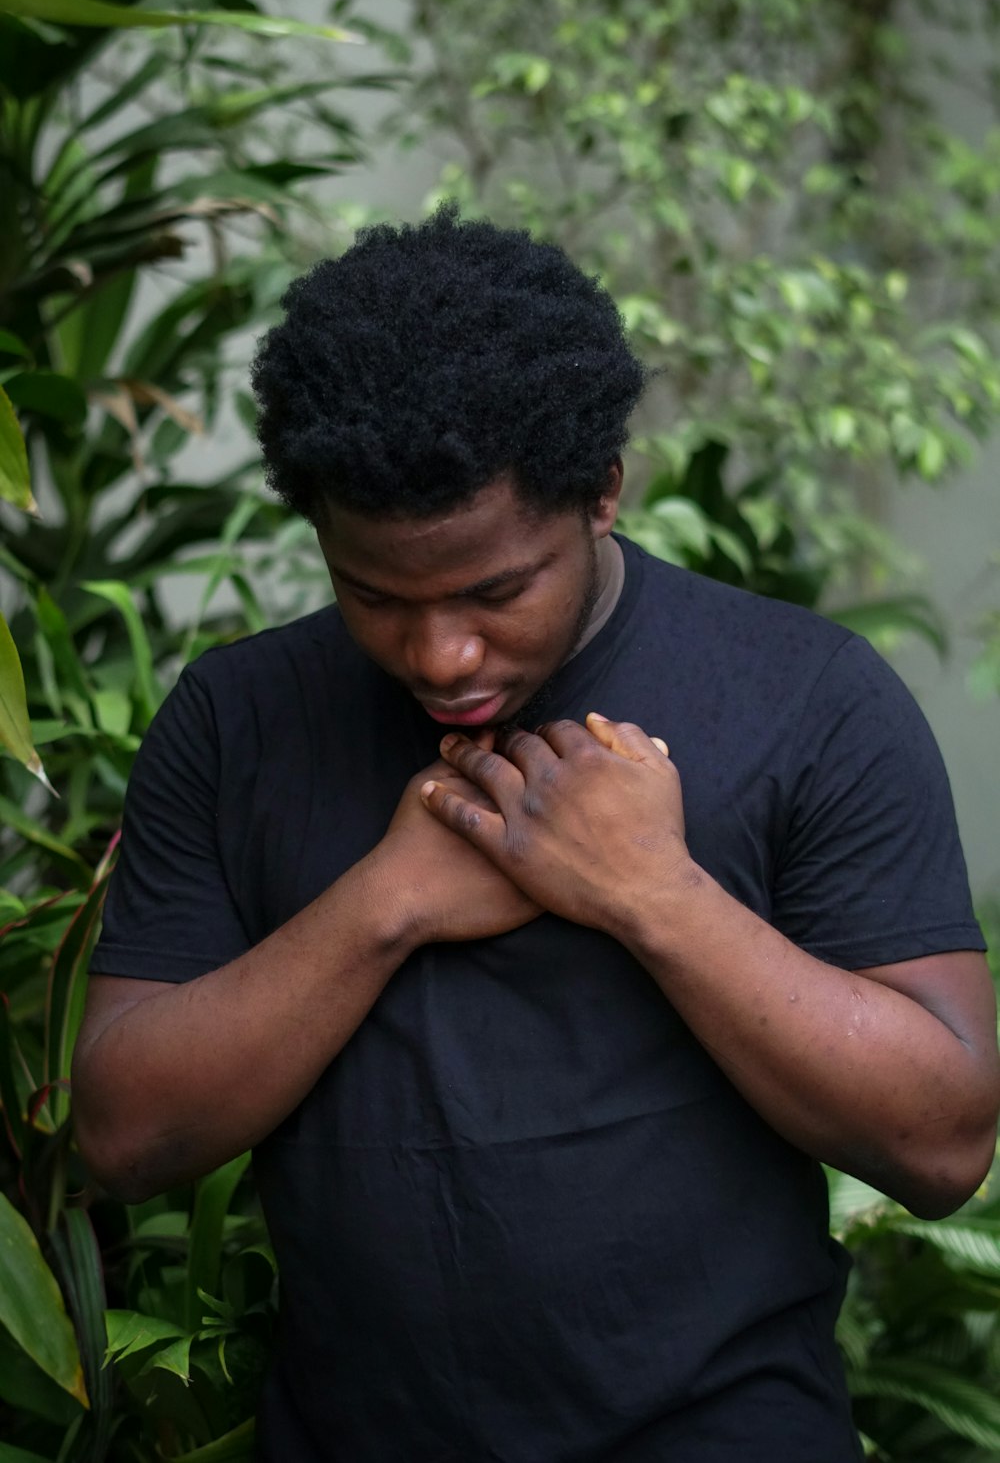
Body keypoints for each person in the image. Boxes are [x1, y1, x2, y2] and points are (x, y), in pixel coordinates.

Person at [73, 209, 999, 1463]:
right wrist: (386, 900)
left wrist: (651, 894)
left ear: (602, 492)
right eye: (375, 596)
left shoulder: (807, 699)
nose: (440, 655)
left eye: (496, 591)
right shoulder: (241, 719)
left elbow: (943, 1144)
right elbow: (124, 1136)